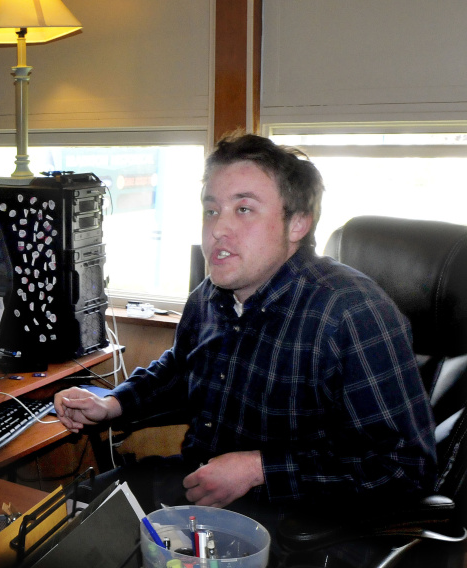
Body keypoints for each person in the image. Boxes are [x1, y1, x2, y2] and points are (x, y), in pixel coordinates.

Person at [55, 132, 437, 536]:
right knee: (67, 519)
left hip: (296, 520)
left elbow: (405, 469)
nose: (218, 229)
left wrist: (258, 469)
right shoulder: (211, 294)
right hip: (202, 484)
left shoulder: (351, 312)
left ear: (297, 224)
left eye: (244, 209)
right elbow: (184, 371)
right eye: (211, 210)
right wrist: (115, 404)